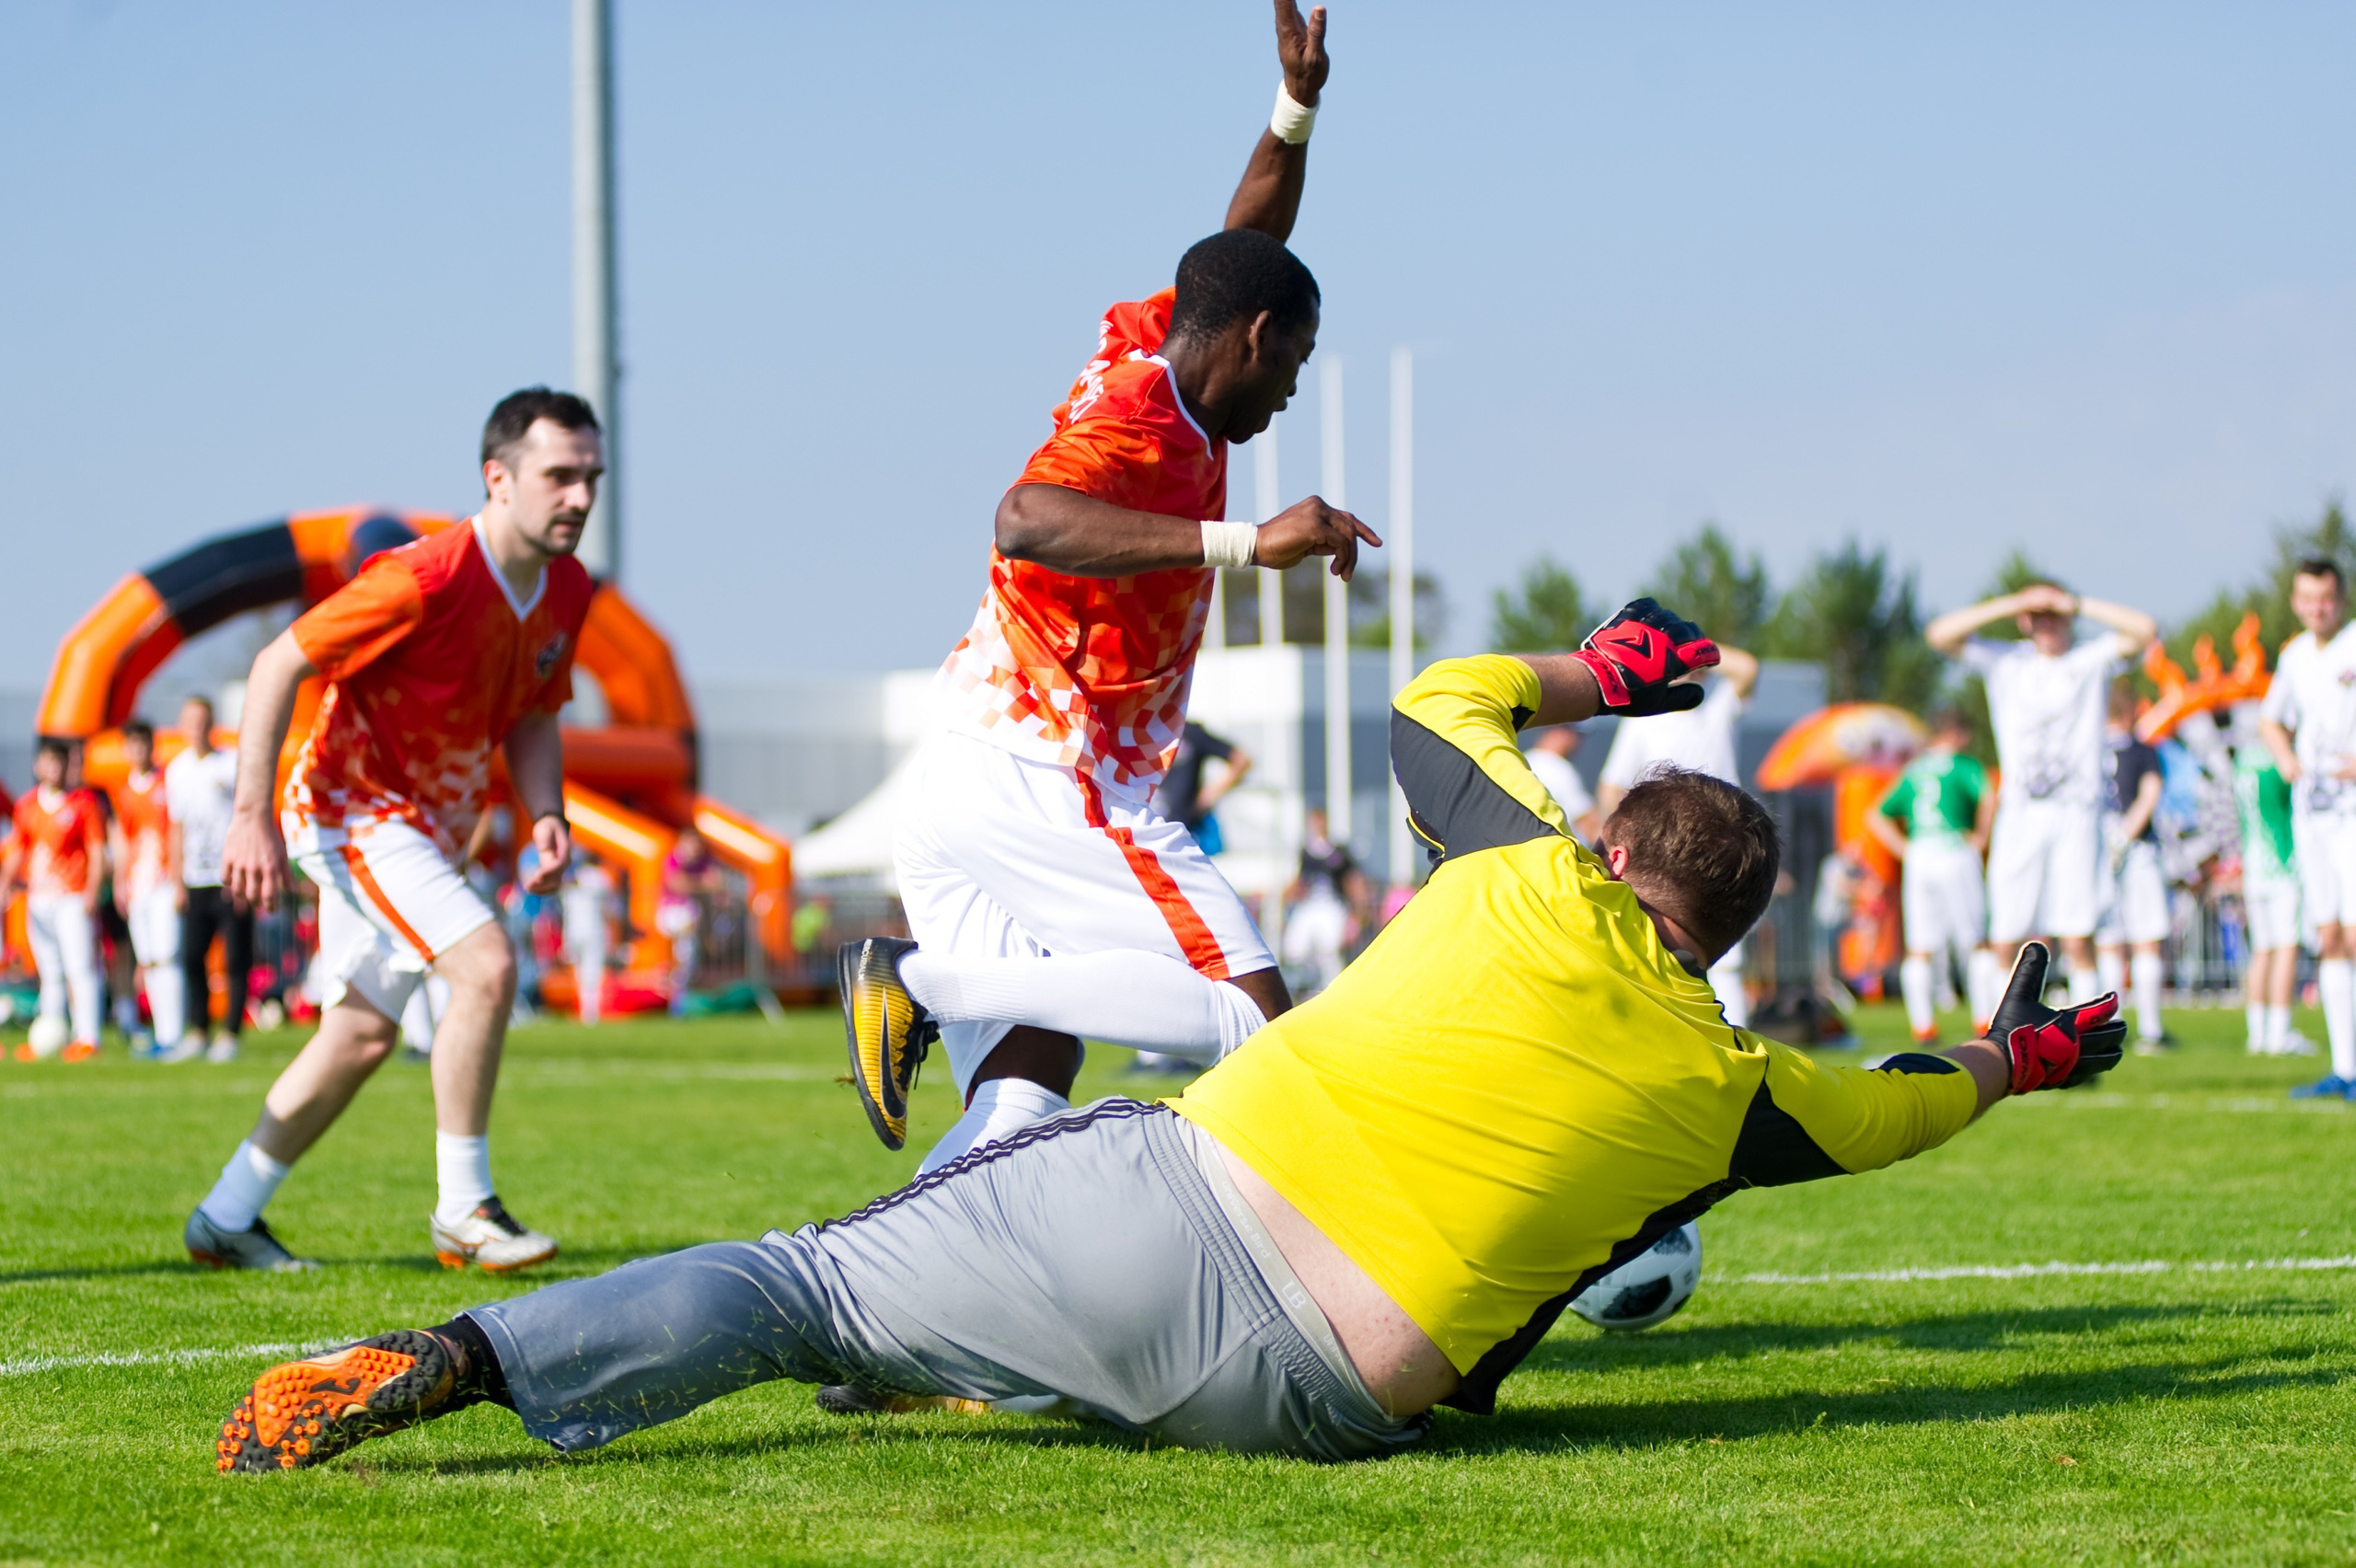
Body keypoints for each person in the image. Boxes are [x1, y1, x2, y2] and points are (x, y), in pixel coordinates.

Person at [207, 601, 2127, 1476]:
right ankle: (988, 1338)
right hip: (1327, 1408)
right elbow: (1895, 1114)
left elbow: (1447, 696)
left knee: (800, 1281)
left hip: (1176, 1206)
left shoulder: (1522, 868)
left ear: (1613, 847)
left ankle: (454, 1358)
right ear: (1726, 936)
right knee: (1636, 1234)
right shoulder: (1733, 1078)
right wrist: (2013, 1060)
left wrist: (1601, 673)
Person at [837, 0, 1378, 1172]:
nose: (1291, 386)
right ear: (1253, 341)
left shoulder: (1161, 342)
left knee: (1023, 1097)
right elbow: (1022, 520)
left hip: (968, 770)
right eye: (1295, 358)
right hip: (1054, 778)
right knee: (1256, 1025)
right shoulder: (1136, 425)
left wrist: (1295, 109)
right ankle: (914, 981)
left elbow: (1244, 250)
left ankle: (884, 1328)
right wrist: (1241, 546)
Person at [179, 387, 597, 1273]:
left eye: (592, 476)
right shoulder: (423, 577)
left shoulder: (568, 588)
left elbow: (533, 714)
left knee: (362, 1037)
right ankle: (464, 1210)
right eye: (560, 476)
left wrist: (548, 814)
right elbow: (275, 663)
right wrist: (250, 818)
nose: (581, 497)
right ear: (498, 478)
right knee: (486, 967)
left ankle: (226, 1215)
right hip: (348, 811)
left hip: (425, 830)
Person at [1926, 582, 2156, 1002]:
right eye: (2040, 616)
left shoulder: (2089, 658)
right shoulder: (2006, 660)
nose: (2048, 623)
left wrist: (2079, 602)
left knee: (2077, 936)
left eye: (2056, 615)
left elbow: (2144, 630)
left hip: (2077, 813)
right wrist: (2015, 602)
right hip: (2021, 813)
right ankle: (2002, 1042)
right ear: (2025, 621)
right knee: (2006, 935)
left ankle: (2085, 1042)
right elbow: (1940, 634)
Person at [1597, 642, 1761, 1024]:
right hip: (1664, 848)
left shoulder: (1717, 708)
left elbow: (1747, 668)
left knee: (1726, 960)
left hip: (1721, 842)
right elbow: (1610, 787)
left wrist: (1693, 647)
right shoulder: (1643, 718)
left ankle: (1733, 1043)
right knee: (1659, 949)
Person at [2259, 559, 2356, 1097]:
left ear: (2340, 601)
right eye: (2308, 598)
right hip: (2314, 811)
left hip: (2353, 811)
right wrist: (2285, 758)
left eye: (2326, 598)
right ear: (2296, 601)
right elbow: (2271, 718)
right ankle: (2345, 1069)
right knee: (2330, 938)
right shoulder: (2295, 655)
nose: (2317, 607)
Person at [1868, 709, 1997, 1043]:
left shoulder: (1914, 770)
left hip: (1921, 856)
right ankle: (1984, 1019)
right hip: (1954, 850)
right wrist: (1981, 836)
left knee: (1920, 948)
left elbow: (1876, 815)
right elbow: (1989, 795)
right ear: (1956, 735)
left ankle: (1923, 1025)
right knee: (1977, 942)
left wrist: (1905, 849)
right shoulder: (1963, 765)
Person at [1, 739, 108, 1060]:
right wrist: (6, 883)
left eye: (59, 762)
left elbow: (96, 851)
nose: (54, 769)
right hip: (39, 898)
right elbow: (19, 848)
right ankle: (51, 1032)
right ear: (38, 766)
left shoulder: (83, 803)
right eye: (48, 762)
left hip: (72, 897)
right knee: (49, 970)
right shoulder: (28, 805)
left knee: (80, 967)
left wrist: (92, 889)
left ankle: (88, 1036)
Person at [167, 695, 251, 1063]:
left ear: (212, 724)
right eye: (190, 721)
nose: (196, 728)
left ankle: (230, 1034)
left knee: (236, 958)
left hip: (230, 877)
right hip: (195, 879)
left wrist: (245, 871)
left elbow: (248, 819)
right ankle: (198, 1031)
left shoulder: (231, 764)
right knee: (190, 957)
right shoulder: (177, 769)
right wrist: (176, 880)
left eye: (202, 720)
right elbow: (175, 827)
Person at [2095, 684, 2170, 1052]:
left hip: (2098, 851)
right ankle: (2152, 1032)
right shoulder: (2143, 751)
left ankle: (2110, 1028)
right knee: (2145, 942)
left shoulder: (2089, 751)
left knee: (2109, 943)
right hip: (2138, 850)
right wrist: (2126, 836)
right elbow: (2150, 793)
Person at [110, 720, 190, 1060]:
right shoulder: (123, 790)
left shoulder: (167, 782)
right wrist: (120, 882)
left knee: (167, 956)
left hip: (163, 883)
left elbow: (177, 831)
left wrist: (178, 879)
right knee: (149, 961)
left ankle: (174, 1034)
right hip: (138, 886)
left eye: (143, 743)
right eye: (132, 744)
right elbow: (123, 842)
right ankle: (161, 1032)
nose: (138, 750)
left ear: (152, 746)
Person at [2230, 703, 2304, 1055]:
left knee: (2261, 950)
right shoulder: (2279, 763)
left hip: (2253, 865)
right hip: (2282, 865)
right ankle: (2280, 1032)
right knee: (2286, 947)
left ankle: (2256, 1032)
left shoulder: (2244, 761)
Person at [1280, 806, 1360, 995]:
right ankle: (1304, 987)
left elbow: (1352, 881)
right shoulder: (1305, 853)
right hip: (1308, 905)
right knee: (1294, 949)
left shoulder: (1339, 852)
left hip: (1332, 905)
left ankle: (1334, 991)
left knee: (1328, 948)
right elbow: (1298, 881)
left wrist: (1356, 913)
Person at [1158, 721, 1254, 856]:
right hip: (1149, 831)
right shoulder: (1134, 730)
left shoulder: (1188, 731)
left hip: (1189, 831)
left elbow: (1241, 760)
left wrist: (1207, 796)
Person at [658, 827, 722, 1017]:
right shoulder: (674, 860)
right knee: (682, 957)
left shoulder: (704, 861)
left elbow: (717, 882)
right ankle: (674, 1002)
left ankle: (680, 1004)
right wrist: (701, 884)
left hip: (694, 918)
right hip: (673, 913)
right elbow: (677, 883)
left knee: (688, 960)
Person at [1522, 724, 1600, 842]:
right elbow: (1589, 824)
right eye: (1577, 735)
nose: (1579, 742)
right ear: (1560, 731)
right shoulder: (1558, 768)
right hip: (1557, 854)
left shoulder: (1523, 761)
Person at [560, 855, 613, 1027]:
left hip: (586, 931)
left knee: (589, 973)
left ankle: (590, 1012)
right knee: (587, 973)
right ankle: (588, 1012)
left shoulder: (596, 877)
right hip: (584, 931)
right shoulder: (598, 877)